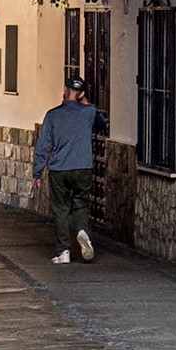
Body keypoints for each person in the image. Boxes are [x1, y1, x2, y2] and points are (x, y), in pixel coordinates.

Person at [32, 75, 106, 265]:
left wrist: (37, 173)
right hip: (83, 167)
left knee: (61, 208)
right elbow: (102, 124)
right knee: (81, 204)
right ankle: (82, 231)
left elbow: (43, 146)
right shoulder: (89, 112)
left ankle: (63, 251)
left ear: (64, 91)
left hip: (59, 169)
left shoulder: (52, 115)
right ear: (81, 94)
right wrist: (86, 103)